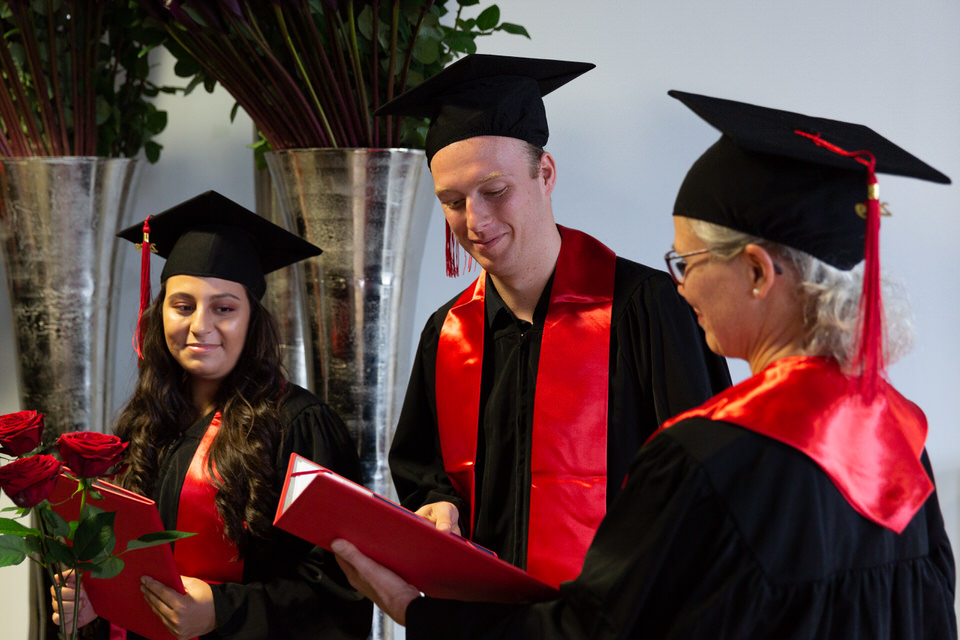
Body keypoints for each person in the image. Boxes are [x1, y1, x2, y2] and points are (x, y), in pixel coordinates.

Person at [331, 91, 958, 638]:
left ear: (756, 273)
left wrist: (417, 612)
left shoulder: (703, 454)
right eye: (453, 200)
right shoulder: (900, 439)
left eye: (687, 262)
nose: (682, 285)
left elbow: (602, 629)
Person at [378, 54, 731, 589]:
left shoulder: (649, 310)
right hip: (484, 616)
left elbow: (704, 487)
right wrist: (439, 507)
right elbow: (423, 472)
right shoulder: (446, 333)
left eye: (494, 191)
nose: (475, 222)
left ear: (544, 174)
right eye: (452, 202)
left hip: (617, 617)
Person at [52, 191, 372, 639]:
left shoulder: (299, 426)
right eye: (182, 306)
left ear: (252, 319)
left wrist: (223, 611)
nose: (200, 326)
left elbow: (341, 592)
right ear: (160, 314)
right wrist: (96, 602)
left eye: (224, 308)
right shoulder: (145, 423)